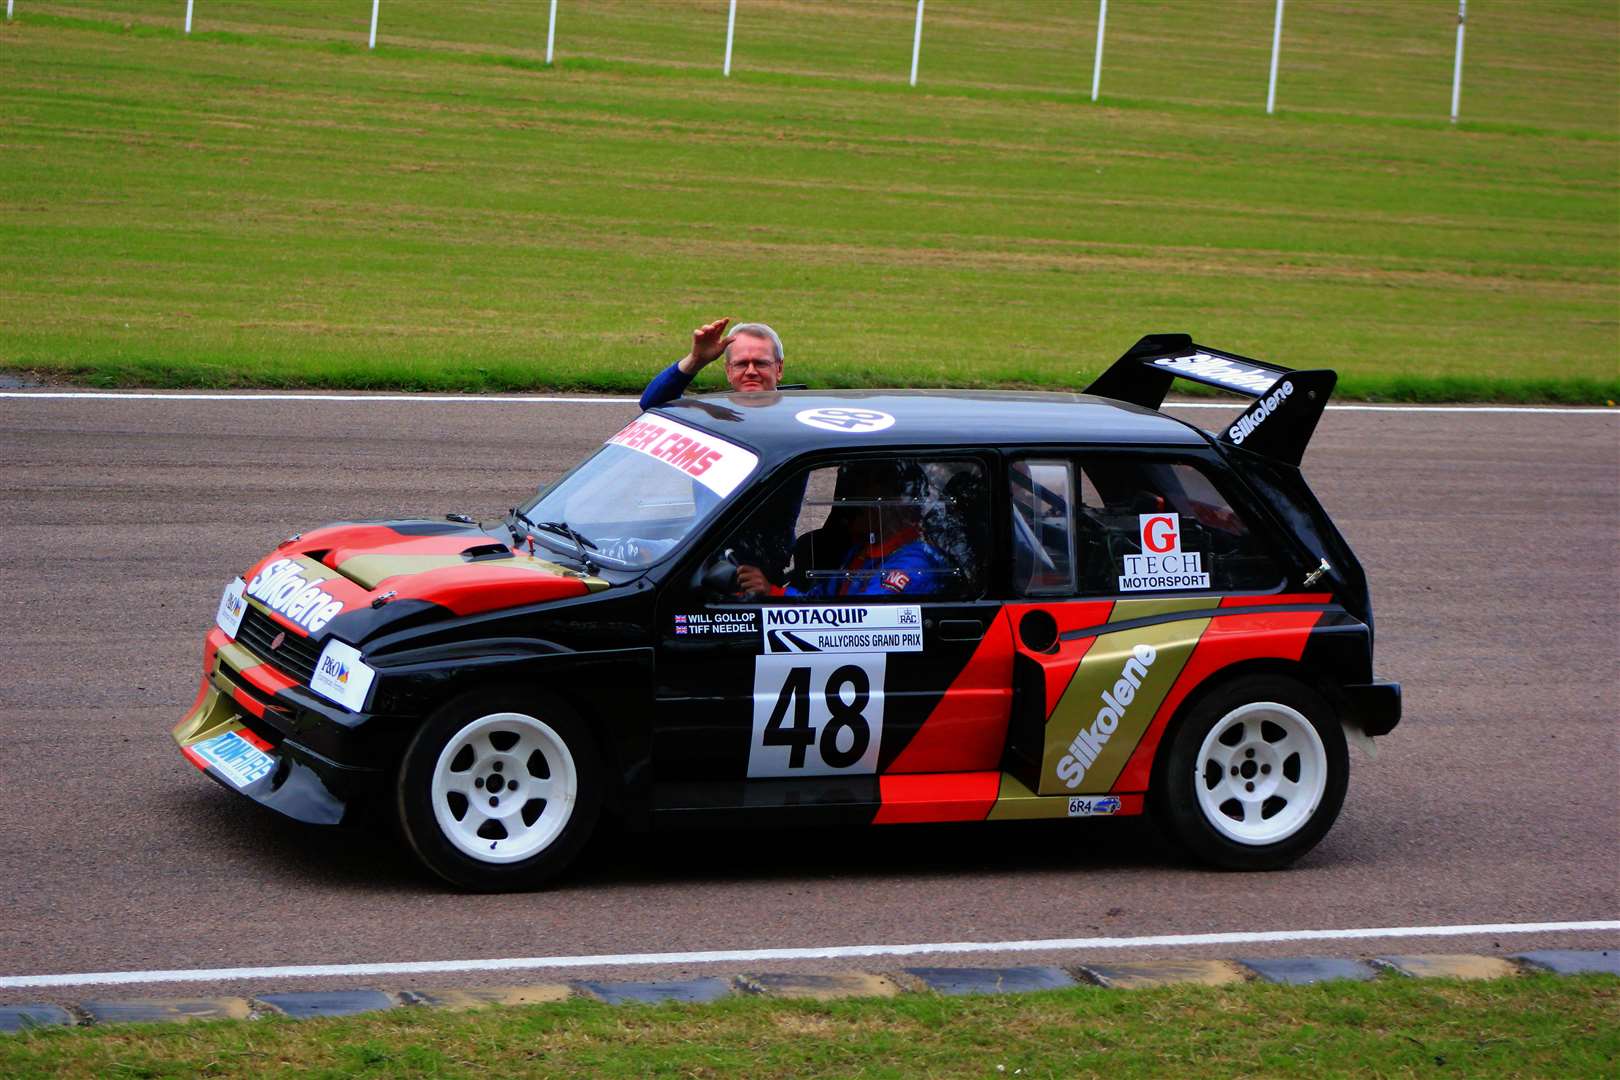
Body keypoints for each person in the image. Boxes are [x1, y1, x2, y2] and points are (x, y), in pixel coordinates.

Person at [736, 460, 953, 598]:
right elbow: (821, 598)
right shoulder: (865, 549)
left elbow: (859, 618)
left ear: (887, 505)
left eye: (859, 501)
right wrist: (773, 593)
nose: (848, 510)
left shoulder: (910, 565)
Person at [639, 318, 784, 409]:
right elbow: (652, 403)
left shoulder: (800, 414)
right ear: (728, 371)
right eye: (741, 364)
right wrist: (695, 360)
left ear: (779, 369)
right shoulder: (715, 414)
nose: (751, 371)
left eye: (760, 363)